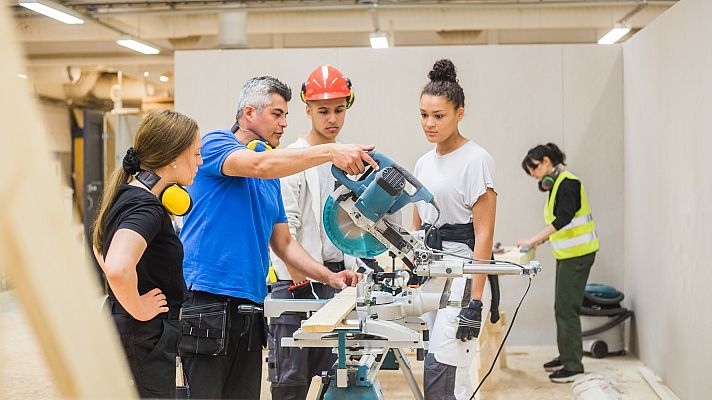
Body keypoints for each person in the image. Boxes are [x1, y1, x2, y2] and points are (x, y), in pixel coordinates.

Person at [178, 76, 374, 399]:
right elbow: (259, 163)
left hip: (250, 308)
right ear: (249, 113)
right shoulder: (215, 145)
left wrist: (331, 276)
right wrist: (329, 152)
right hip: (208, 304)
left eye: (286, 116)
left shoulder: (270, 179)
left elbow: (283, 244)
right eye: (277, 114)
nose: (284, 124)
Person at [266, 64, 364, 400]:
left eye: (339, 110)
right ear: (307, 110)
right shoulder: (291, 159)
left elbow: (354, 225)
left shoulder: (348, 159)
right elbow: (284, 236)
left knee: (333, 384)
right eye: (323, 111)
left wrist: (352, 272)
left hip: (337, 283)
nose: (332, 119)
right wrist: (308, 284)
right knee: (291, 387)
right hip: (296, 286)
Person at [92, 109, 202, 398]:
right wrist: (137, 307)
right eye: (196, 154)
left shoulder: (126, 193)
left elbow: (99, 244)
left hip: (135, 330)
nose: (200, 162)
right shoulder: (147, 208)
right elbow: (116, 266)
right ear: (174, 157)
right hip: (143, 332)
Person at [412, 59, 497, 400]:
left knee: (442, 368)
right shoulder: (423, 162)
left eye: (438, 116)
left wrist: (475, 301)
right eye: (423, 115)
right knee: (449, 371)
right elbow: (417, 219)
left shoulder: (477, 160)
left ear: (460, 113)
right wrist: (413, 274)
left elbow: (485, 234)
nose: (429, 123)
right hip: (431, 273)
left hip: (463, 276)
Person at [517, 143, 599, 383]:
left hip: (578, 255)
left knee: (566, 309)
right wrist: (537, 242)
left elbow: (564, 218)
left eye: (533, 169)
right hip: (568, 255)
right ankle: (566, 356)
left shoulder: (568, 183)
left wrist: (534, 240)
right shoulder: (558, 185)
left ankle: (573, 365)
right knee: (561, 307)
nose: (533, 176)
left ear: (545, 162)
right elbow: (561, 225)